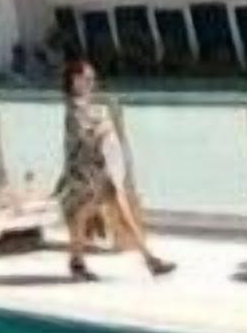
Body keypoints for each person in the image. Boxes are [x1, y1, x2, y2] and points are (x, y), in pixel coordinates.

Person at [58, 56, 173, 280]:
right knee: (84, 214)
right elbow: (85, 137)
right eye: (86, 78)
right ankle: (147, 260)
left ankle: (148, 259)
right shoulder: (74, 109)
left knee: (99, 212)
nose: (91, 83)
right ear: (74, 80)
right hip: (85, 176)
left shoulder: (84, 106)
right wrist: (104, 129)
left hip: (98, 173)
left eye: (92, 79)